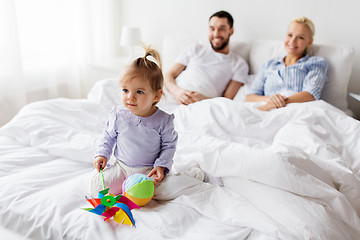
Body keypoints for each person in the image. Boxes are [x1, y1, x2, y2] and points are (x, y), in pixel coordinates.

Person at [89, 46, 178, 196]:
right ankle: (128, 188)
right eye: (125, 90)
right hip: (122, 168)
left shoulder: (163, 120)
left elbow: (169, 146)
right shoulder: (118, 114)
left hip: (149, 170)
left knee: (168, 192)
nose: (130, 96)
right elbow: (108, 137)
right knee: (96, 188)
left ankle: (194, 175)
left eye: (139, 92)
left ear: (156, 96)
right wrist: (102, 154)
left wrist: (161, 166)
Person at [164, 10, 248, 105]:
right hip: (174, 95)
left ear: (231, 31)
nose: (216, 34)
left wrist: (203, 99)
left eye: (221, 29)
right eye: (212, 29)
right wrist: (177, 92)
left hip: (204, 104)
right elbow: (169, 75)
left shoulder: (239, 64)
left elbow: (227, 100)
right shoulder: (195, 49)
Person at [246, 16, 329, 111]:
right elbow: (250, 96)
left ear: (309, 42)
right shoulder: (270, 64)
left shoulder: (316, 62)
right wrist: (271, 100)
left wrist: (278, 103)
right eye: (290, 35)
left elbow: (311, 94)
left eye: (300, 37)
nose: (292, 41)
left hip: (296, 110)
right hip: (266, 108)